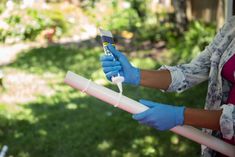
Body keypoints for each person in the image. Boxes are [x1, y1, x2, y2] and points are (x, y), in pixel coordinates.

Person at [100, 16, 235, 157]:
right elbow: (196, 69)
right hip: (219, 145)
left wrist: (180, 116)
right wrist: (135, 74)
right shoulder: (232, 26)